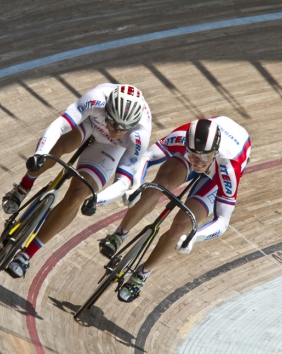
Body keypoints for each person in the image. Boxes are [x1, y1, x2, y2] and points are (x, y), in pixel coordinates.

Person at [2, 83, 152, 278]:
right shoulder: (96, 99)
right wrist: (40, 153)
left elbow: (123, 182)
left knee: (78, 196)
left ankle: (26, 255)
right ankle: (23, 187)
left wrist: (96, 200)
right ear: (108, 109)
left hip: (111, 148)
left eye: (124, 128)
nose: (117, 130)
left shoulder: (139, 135)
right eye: (114, 123)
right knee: (59, 147)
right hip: (92, 123)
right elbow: (60, 125)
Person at [98, 116, 251, 302]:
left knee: (181, 228)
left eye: (205, 157)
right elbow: (146, 156)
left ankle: (143, 274)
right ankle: (120, 234)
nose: (199, 163)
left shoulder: (229, 167)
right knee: (155, 187)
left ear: (215, 151)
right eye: (194, 156)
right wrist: (136, 185)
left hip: (217, 172)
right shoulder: (181, 137)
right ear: (187, 146)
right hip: (201, 154)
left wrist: (195, 236)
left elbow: (223, 221)